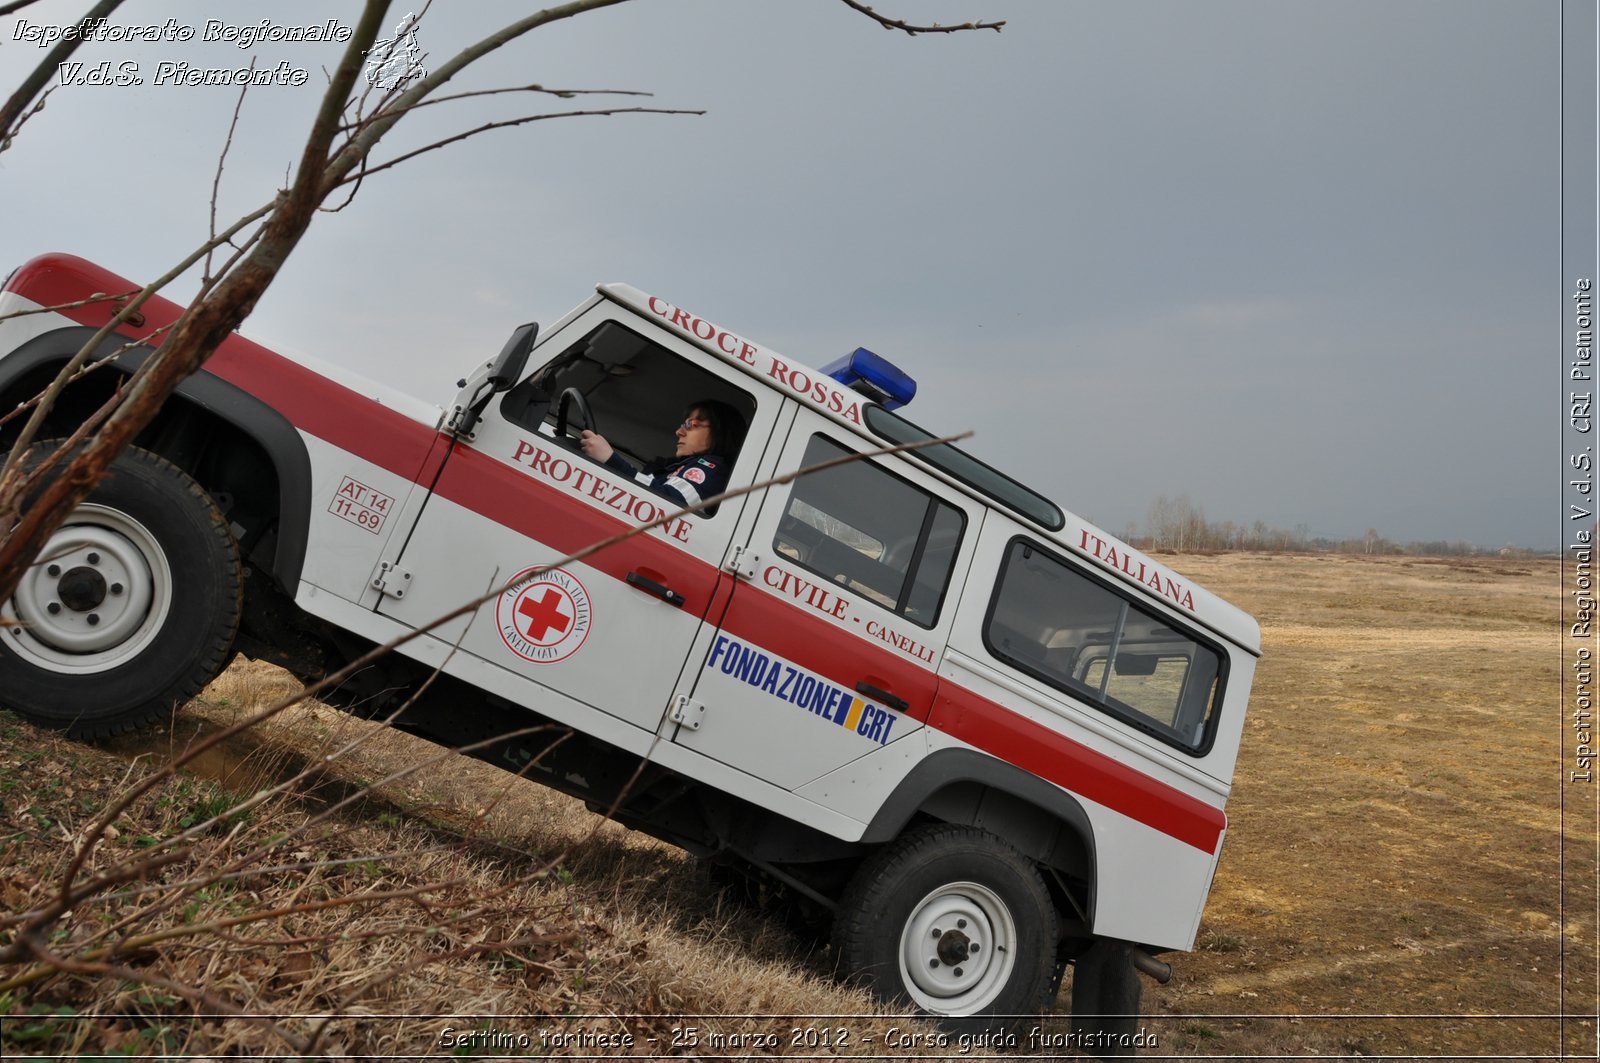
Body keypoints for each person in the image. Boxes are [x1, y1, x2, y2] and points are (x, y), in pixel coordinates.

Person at [580, 399, 745, 512]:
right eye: (683, 424)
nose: (679, 431)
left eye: (691, 424)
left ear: (720, 432)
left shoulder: (712, 469)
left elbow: (670, 503)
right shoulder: (675, 467)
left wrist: (611, 460)